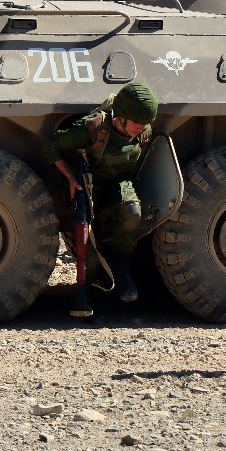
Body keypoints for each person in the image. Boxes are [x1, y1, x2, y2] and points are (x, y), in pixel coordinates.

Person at [44, 82, 158, 302]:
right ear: (122, 117)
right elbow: (51, 145)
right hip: (87, 187)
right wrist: (70, 177)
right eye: (138, 123)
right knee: (90, 249)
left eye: (146, 123)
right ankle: (93, 290)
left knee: (132, 211)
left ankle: (121, 266)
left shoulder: (143, 132)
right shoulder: (93, 128)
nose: (142, 128)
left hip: (117, 186)